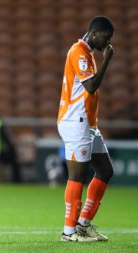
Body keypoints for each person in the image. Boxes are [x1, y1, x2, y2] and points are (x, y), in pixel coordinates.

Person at [57, 16, 114, 242]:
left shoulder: (88, 53)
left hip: (88, 123)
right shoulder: (79, 52)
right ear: (93, 33)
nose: (109, 42)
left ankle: (83, 224)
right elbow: (91, 86)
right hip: (75, 122)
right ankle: (69, 232)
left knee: (106, 170)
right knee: (77, 176)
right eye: (106, 37)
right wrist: (107, 60)